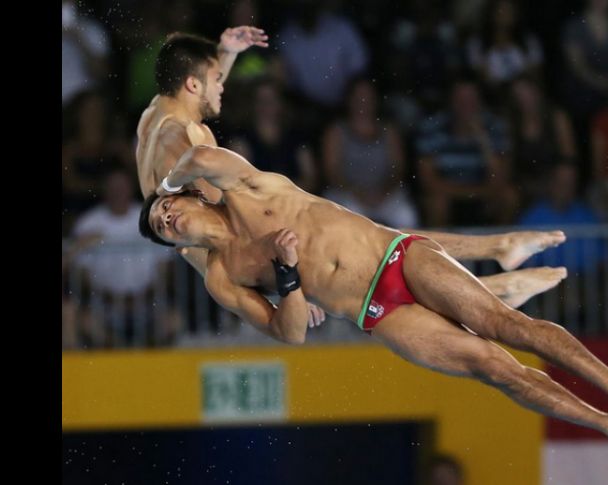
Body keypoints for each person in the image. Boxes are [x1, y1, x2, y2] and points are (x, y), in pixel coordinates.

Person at [140, 144, 608, 447]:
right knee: (497, 369)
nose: (166, 219)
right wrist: (287, 276)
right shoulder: (222, 277)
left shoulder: (246, 186)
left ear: (186, 196)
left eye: (165, 209)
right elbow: (292, 331)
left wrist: (162, 186)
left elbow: (202, 153)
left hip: (395, 256)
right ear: (173, 243)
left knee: (503, 326)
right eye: (161, 228)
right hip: (377, 312)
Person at [134, 30, 569, 316]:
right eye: (217, 78)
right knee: (375, 262)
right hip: (246, 252)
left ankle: (496, 265)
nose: (223, 84)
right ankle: (493, 277)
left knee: (383, 254)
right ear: (194, 84)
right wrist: (281, 286)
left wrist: (225, 53)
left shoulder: (155, 117)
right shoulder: (188, 142)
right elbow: (207, 232)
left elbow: (199, 92)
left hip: (221, 249)